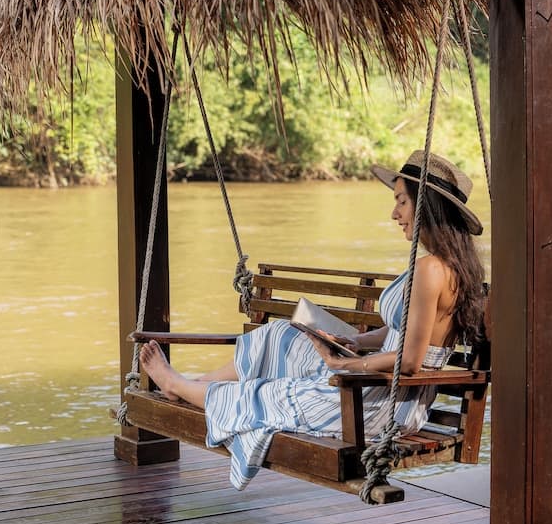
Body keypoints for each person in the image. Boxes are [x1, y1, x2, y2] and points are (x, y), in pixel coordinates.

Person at [140, 150, 487, 489]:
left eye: (402, 202)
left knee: (268, 395)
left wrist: (345, 364)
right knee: (282, 334)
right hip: (384, 387)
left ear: (427, 206)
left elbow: (409, 361)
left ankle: (177, 387)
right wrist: (356, 342)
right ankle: (196, 384)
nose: (394, 213)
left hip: (383, 403)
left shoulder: (430, 270)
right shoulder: (445, 266)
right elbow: (403, 329)